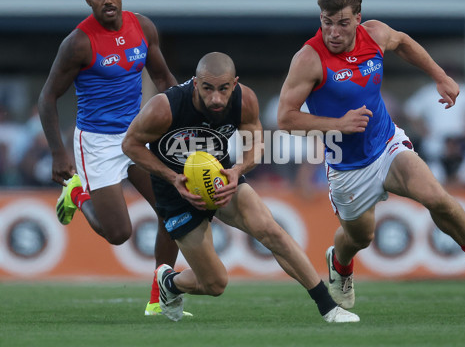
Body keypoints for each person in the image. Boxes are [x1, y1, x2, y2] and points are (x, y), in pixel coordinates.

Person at [276, 0, 465, 311]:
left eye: (342, 22)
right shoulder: (309, 59)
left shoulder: (375, 34)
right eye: (326, 21)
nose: (333, 31)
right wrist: (338, 124)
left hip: (387, 144)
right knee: (360, 237)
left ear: (358, 18)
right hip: (347, 167)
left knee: (437, 198)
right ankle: (340, 263)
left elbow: (404, 42)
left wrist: (439, 76)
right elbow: (285, 118)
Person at [122, 52, 359, 323]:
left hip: (222, 179)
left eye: (223, 89)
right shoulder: (165, 107)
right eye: (207, 88)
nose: (216, 98)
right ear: (195, 83)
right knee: (215, 284)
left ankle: (328, 307)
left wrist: (237, 171)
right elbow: (130, 144)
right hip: (177, 193)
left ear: (234, 83)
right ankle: (170, 283)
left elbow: (256, 146)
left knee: (272, 231)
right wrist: (171, 177)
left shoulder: (244, 100)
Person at [38, 0, 181, 316]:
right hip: (98, 144)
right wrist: (58, 153)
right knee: (118, 233)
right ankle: (77, 192)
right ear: (88, 1)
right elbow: (46, 98)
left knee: (174, 211)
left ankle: (159, 299)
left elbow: (164, 79)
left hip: (136, 136)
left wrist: (185, 122)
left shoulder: (143, 27)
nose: (107, 0)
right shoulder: (77, 43)